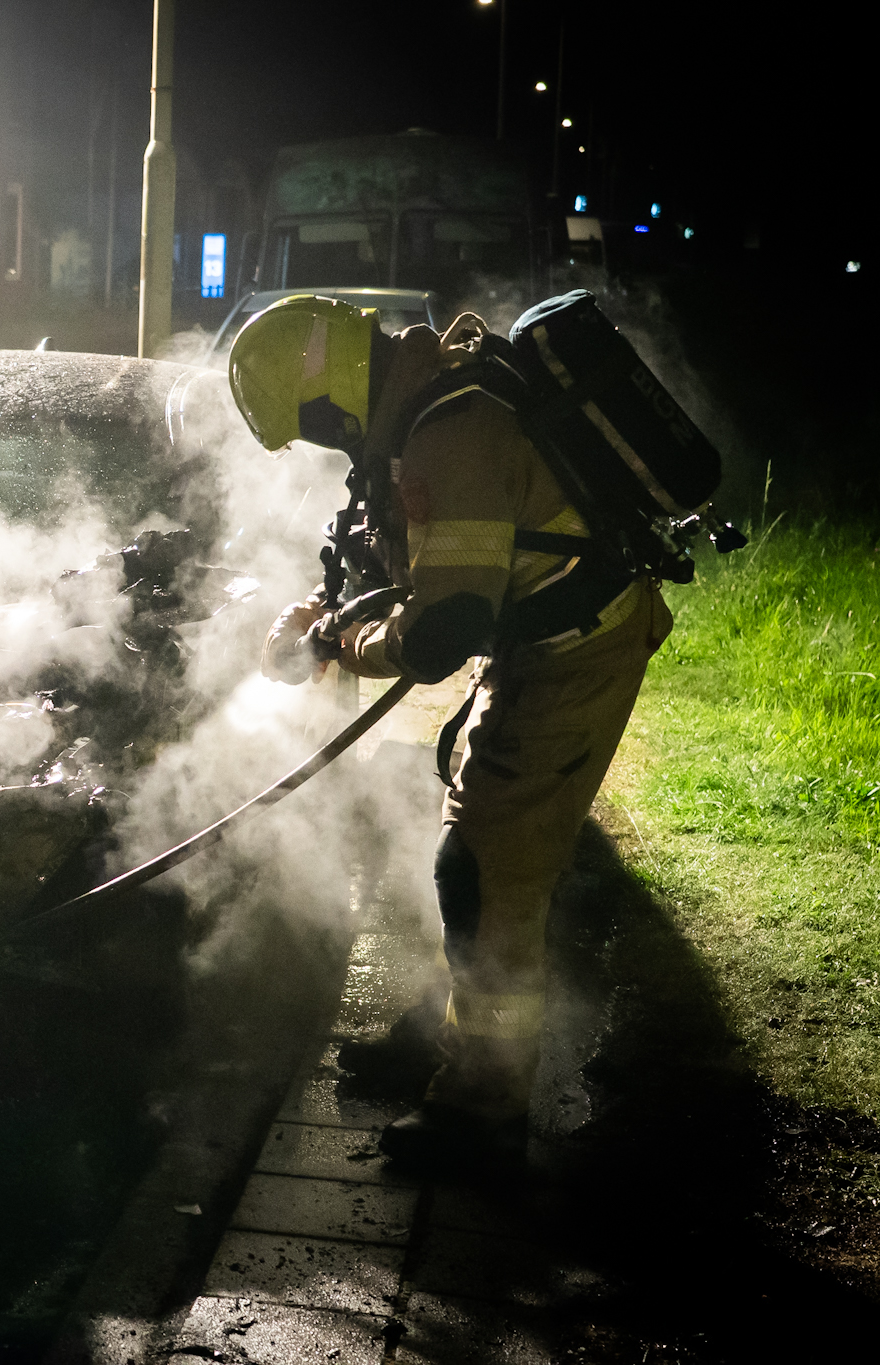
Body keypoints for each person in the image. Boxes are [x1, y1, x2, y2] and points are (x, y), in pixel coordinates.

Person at [229, 294, 674, 1169]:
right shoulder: (419, 409)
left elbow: (444, 629)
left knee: (486, 871)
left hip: (575, 655)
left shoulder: (451, 432)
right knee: (471, 854)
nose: (326, 447)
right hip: (536, 647)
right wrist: (319, 609)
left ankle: (483, 1106)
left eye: (315, 429)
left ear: (331, 397)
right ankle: (445, 1036)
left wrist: (338, 644)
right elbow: (402, 554)